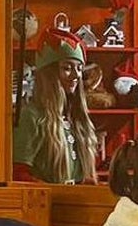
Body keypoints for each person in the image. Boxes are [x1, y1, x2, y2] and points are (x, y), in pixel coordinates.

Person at [12, 24, 98, 184]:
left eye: (79, 68)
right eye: (67, 68)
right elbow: (18, 175)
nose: (76, 75)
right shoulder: (31, 116)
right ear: (48, 73)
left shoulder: (76, 119)